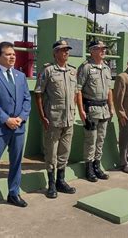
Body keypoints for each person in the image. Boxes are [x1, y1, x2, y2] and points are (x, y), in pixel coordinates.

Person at [0, 41, 31, 217]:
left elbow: (27, 100)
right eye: (8, 54)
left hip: (18, 127)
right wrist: (6, 119)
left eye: (14, 54)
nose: (12, 57)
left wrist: (21, 118)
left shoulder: (20, 76)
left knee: (16, 163)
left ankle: (13, 193)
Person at [34, 40, 77, 198]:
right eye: (62, 50)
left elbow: (75, 93)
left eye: (67, 50)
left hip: (69, 119)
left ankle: (61, 181)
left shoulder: (72, 71)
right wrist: (42, 116)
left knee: (64, 152)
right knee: (51, 153)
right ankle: (51, 184)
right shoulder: (48, 71)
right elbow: (38, 94)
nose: (66, 52)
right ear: (55, 53)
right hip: (53, 118)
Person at [77, 40, 113, 181]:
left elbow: (109, 89)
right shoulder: (86, 67)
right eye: (99, 49)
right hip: (91, 108)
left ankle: (97, 166)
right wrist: (81, 110)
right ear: (92, 51)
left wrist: (111, 107)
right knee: (90, 140)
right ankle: (89, 168)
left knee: (101, 139)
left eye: (104, 48)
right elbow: (78, 90)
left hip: (104, 108)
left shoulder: (106, 68)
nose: (103, 51)